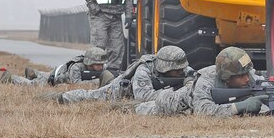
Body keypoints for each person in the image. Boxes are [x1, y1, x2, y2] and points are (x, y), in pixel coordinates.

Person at [55, 45, 194, 113]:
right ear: (166, 67)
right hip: (120, 90)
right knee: (91, 96)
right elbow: (143, 96)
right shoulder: (144, 69)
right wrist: (177, 92)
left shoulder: (184, 70)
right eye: (177, 70)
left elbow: (196, 84)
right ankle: (62, 97)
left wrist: (189, 85)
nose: (180, 72)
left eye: (181, 69)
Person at [191, 46, 274, 117]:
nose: (247, 78)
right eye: (241, 75)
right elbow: (202, 111)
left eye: (248, 73)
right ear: (227, 77)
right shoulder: (206, 80)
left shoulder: (253, 80)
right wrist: (240, 107)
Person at [0, 47, 114, 87]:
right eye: (97, 64)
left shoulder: (103, 68)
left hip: (60, 73)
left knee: (43, 75)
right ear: (89, 62)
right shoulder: (77, 67)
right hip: (55, 77)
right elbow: (76, 84)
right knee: (33, 85)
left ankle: (34, 73)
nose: (100, 67)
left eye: (101, 64)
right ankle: (10, 77)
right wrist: (97, 81)